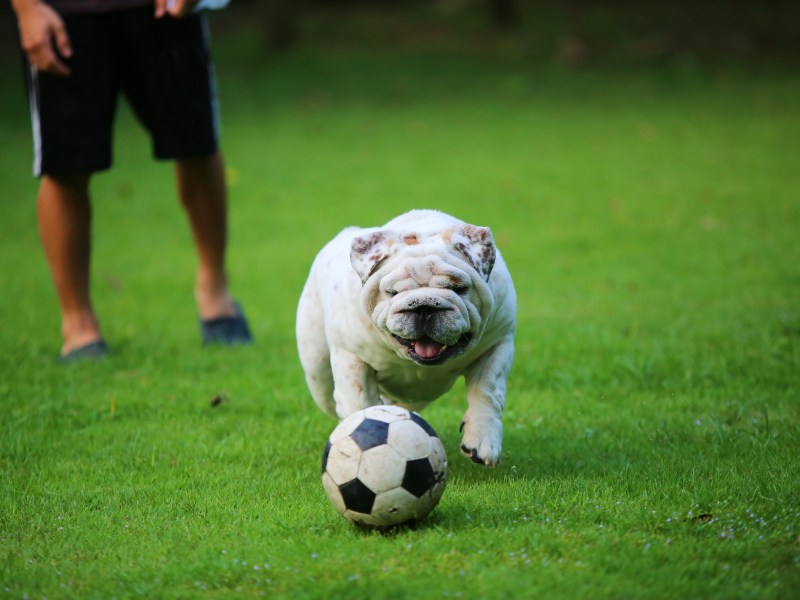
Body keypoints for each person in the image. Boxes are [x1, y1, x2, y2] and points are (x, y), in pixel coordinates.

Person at [11, 0, 251, 361]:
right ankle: (78, 325)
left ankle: (215, 292)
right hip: (65, 13)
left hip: (163, 10)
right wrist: (27, 9)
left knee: (197, 145)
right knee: (65, 167)